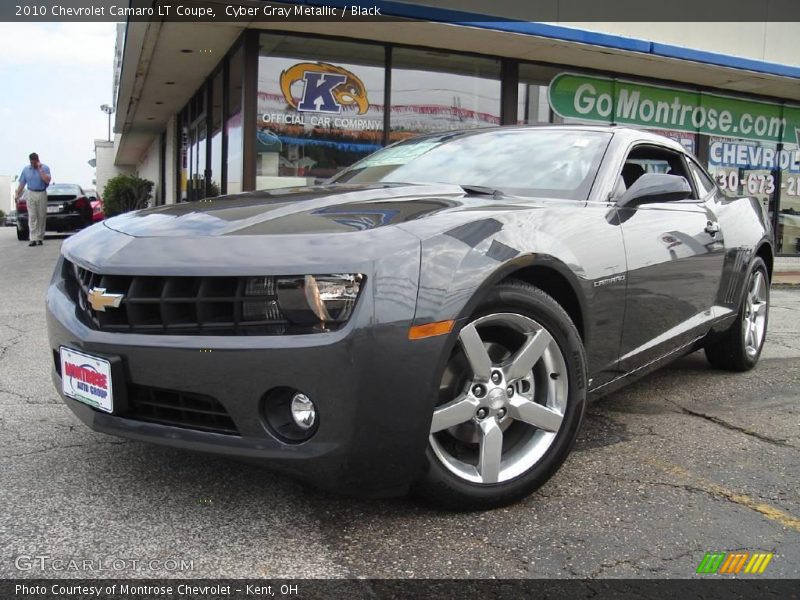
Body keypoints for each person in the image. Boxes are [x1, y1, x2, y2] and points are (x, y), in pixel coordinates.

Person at [15, 152, 52, 246]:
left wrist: (40, 169)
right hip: (31, 193)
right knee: (32, 216)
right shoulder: (26, 170)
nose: (33, 164)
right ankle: (33, 238)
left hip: (42, 192)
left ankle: (39, 238)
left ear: (38, 161)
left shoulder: (45, 168)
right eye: (31, 163)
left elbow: (47, 180)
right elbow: (22, 183)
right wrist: (17, 194)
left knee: (41, 216)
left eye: (35, 163)